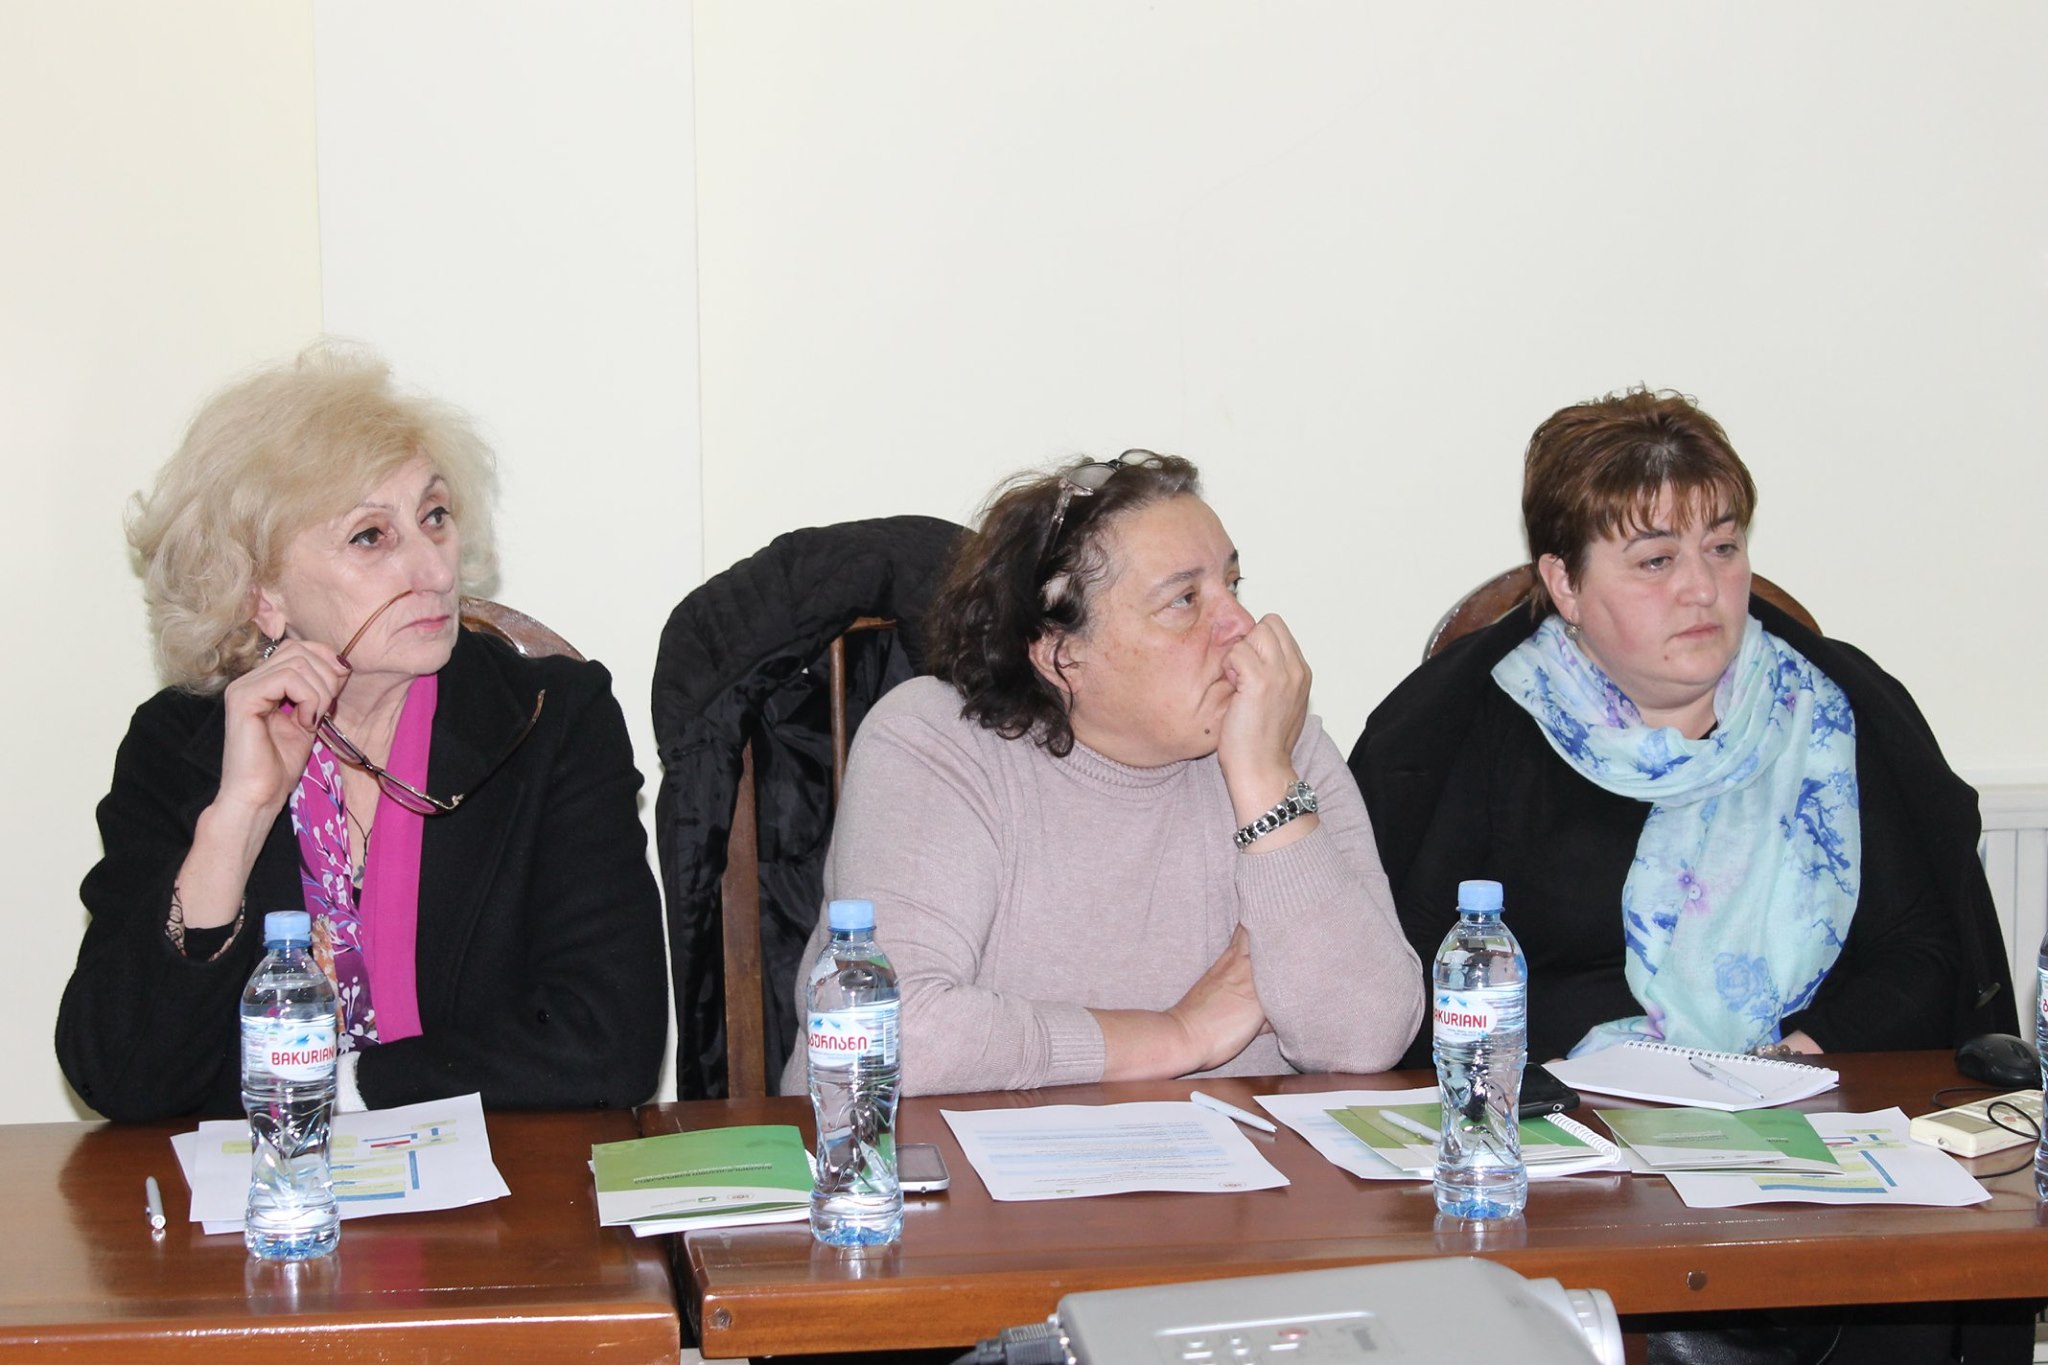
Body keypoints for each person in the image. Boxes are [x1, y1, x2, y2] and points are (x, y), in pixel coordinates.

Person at [56, 345, 667, 1121]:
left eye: (434, 517)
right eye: (371, 537)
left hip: (504, 1190)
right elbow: (120, 1075)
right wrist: (237, 817)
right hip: (270, 1190)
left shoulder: (554, 721)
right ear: (263, 595)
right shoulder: (180, 745)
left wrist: (345, 1086)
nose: (435, 571)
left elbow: (610, 1042)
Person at [1353, 389, 2015, 1070]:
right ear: (1566, 584)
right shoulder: (1476, 724)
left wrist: (1780, 1065)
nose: (1703, 588)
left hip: (1789, 1101)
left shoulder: (1821, 714)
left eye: (1723, 547)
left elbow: (1921, 953)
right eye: (1657, 560)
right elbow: (1408, 977)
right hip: (1550, 1108)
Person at [777, 450, 1423, 1098]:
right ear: (1061, 654)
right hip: (972, 1164)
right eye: (1185, 600)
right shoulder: (935, 742)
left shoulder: (1280, 743)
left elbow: (1365, 1038)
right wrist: (1179, 1035)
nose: (1242, 626)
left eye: (1234, 583)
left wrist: (1264, 781)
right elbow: (888, 1033)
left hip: (1226, 1161)